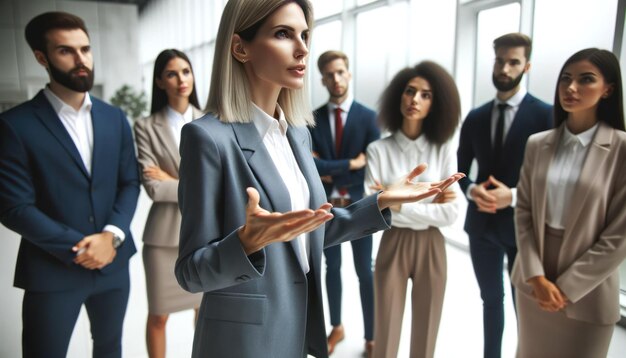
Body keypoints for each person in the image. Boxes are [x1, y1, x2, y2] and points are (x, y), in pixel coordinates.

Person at [173, 1, 463, 357]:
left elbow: (310, 227)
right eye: (283, 34)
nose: (303, 48)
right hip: (244, 343)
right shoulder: (207, 138)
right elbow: (190, 272)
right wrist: (245, 243)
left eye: (305, 35)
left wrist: (382, 201)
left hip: (297, 328)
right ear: (240, 48)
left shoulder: (297, 134)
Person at [0, 11, 139, 357]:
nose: (81, 60)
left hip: (113, 264)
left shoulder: (114, 117)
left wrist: (112, 236)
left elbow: (129, 183)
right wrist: (82, 248)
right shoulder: (14, 126)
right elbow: (14, 207)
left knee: (110, 349)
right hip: (52, 269)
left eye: (85, 49)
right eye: (66, 51)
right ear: (41, 58)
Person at [512, 48, 626, 358]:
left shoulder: (622, 149)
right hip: (533, 281)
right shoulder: (538, 144)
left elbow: (620, 236)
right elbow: (523, 212)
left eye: (585, 80)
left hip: (588, 289)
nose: (571, 88)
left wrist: (566, 288)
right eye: (566, 79)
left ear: (609, 89)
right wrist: (536, 276)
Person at [456, 32, 552, 358]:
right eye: (500, 60)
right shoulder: (476, 116)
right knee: (491, 301)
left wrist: (511, 195)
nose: (505, 68)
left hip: (524, 228)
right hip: (481, 227)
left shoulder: (547, 116)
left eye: (514, 62)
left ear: (527, 66)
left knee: (524, 306)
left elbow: (553, 181)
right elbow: (461, 170)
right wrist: (472, 189)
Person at [365, 61, 462, 358]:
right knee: (386, 329)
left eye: (425, 94)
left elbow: (451, 213)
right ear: (399, 96)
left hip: (432, 244)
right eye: (410, 91)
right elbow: (371, 209)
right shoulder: (378, 150)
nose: (415, 99)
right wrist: (426, 201)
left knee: (427, 329)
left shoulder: (444, 149)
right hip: (392, 242)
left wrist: (394, 202)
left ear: (436, 104)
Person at [133, 49, 204, 358]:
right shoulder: (146, 126)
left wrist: (170, 179)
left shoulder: (213, 120)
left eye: (186, 72)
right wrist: (199, 186)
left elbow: (225, 185)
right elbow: (153, 187)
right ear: (160, 81)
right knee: (159, 316)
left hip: (206, 234)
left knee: (206, 314)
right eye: (172, 74)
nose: (181, 80)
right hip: (163, 240)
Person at [309, 50, 380, 355]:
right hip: (328, 209)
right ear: (322, 78)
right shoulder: (312, 120)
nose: (335, 79)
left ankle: (372, 334)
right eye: (329, 74)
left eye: (340, 72)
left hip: (361, 205)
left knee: (365, 270)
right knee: (332, 267)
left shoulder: (369, 118)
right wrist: (351, 164)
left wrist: (329, 166)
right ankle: (336, 327)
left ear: (348, 74)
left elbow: (374, 164)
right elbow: (312, 167)